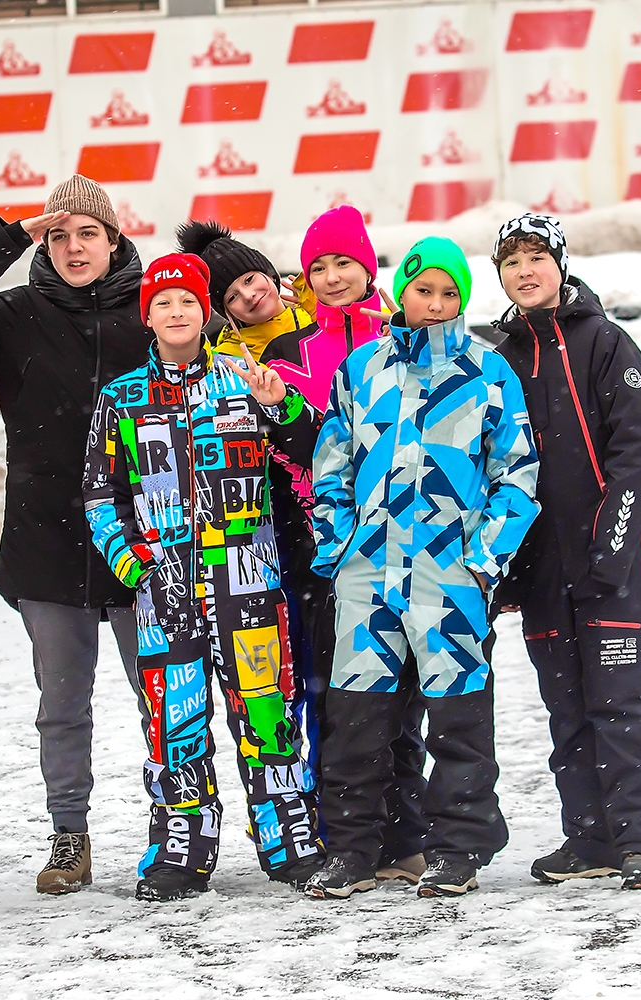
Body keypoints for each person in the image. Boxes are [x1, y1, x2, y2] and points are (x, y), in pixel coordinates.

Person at [0, 176, 147, 894]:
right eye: (59, 235)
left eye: (88, 233)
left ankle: (178, 824)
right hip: (48, 544)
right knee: (63, 706)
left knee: (167, 698)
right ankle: (69, 833)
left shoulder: (158, 309)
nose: (74, 248)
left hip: (149, 544)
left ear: (114, 240)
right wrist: (8, 235)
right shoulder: (16, 314)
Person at [195, 207, 434, 887]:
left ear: (368, 267)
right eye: (319, 267)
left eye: (342, 264)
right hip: (318, 547)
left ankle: (405, 829)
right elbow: (295, 447)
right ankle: (342, 830)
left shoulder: (403, 336)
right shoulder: (287, 352)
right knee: (337, 692)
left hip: (405, 537)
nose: (330, 278)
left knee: (406, 687)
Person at [83, 253, 326, 901]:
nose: (177, 312)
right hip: (166, 594)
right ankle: (182, 845)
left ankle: (289, 836)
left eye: (187, 301)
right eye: (164, 304)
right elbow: (100, 497)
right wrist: (135, 564)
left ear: (203, 310)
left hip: (247, 582)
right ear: (150, 317)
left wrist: (285, 407)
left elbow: (313, 449)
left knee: (268, 713)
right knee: (176, 722)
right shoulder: (123, 397)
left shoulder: (245, 379)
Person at [304, 237, 540, 900]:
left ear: (462, 300)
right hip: (368, 576)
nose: (434, 305)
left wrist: (484, 561)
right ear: (400, 290)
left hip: (449, 575)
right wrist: (338, 546)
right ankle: (351, 849)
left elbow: (516, 476)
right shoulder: (361, 370)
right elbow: (332, 465)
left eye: (449, 294)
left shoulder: (488, 373)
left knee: (459, 721)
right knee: (356, 721)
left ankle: (458, 848)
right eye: (423, 289)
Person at [489, 213, 641, 890]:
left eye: (536, 256)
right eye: (511, 262)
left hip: (618, 567)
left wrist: (613, 548)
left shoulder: (604, 343)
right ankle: (591, 839)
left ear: (560, 265)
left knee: (621, 708)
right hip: (543, 573)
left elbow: (638, 452)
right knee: (567, 711)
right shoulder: (499, 357)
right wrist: (507, 568)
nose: (525, 270)